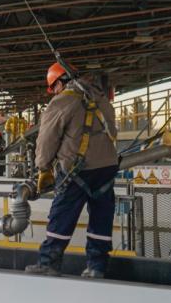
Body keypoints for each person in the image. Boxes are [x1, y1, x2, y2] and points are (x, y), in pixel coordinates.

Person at [26, 60, 118, 279]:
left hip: (77, 170)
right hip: (106, 169)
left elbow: (46, 140)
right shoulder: (100, 98)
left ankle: (49, 262)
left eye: (53, 88)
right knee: (101, 218)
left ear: (60, 82)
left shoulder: (62, 102)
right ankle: (97, 267)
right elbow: (112, 129)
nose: (54, 92)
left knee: (61, 215)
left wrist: (43, 168)